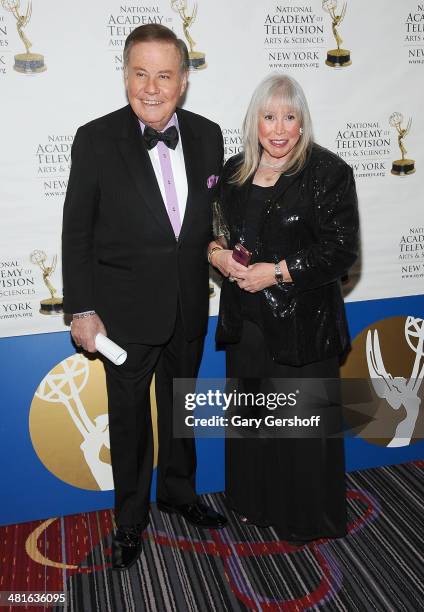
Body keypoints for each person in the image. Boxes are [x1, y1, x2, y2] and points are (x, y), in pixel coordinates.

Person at [62, 24, 227, 571]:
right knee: (130, 422)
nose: (151, 88)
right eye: (140, 74)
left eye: (164, 75)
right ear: (125, 75)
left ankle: (179, 494)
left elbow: (211, 222)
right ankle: (129, 520)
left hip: (187, 306)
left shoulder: (208, 134)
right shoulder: (94, 138)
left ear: (183, 80)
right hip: (123, 315)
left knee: (181, 411)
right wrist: (82, 310)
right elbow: (76, 232)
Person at [208, 74, 359, 543]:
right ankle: (255, 505)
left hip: (303, 327)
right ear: (254, 122)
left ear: (302, 122)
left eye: (289, 117)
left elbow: (340, 251)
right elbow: (213, 234)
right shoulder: (233, 174)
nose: (278, 128)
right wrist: (216, 255)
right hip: (248, 324)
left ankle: (306, 519)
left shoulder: (328, 172)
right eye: (269, 116)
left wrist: (276, 272)